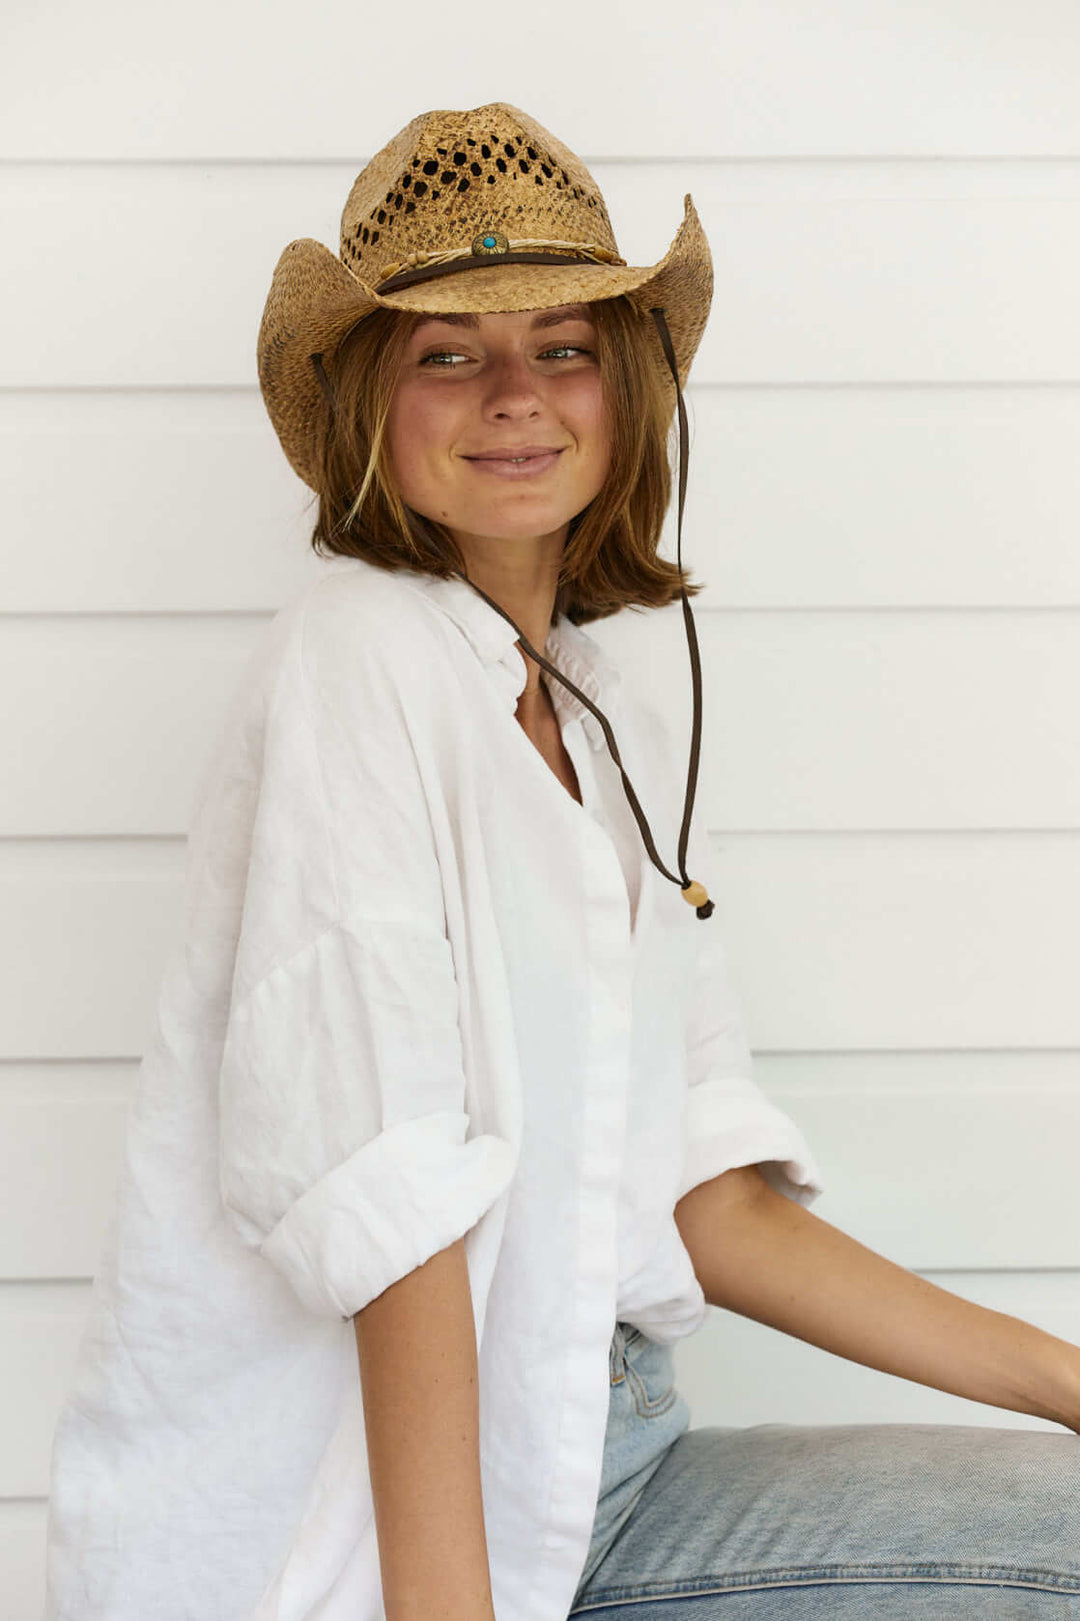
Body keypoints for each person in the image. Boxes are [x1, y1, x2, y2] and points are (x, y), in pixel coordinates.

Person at [43, 101, 1080, 1621]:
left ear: (628, 384)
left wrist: (1066, 1381)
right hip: (433, 1526)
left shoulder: (611, 706)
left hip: (618, 1453)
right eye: (448, 351)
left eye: (564, 346)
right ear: (368, 402)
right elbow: (395, 1223)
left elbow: (708, 1203)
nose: (515, 395)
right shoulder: (359, 660)